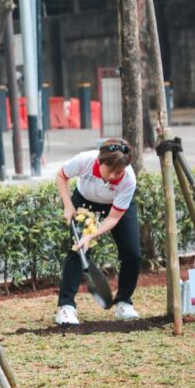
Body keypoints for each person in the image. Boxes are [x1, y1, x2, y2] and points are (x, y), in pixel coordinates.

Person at [55, 138, 141, 325]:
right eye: (109, 170)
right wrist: (68, 206)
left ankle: (124, 302)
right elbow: (61, 175)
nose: (112, 176)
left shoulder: (128, 179)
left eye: (118, 172)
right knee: (78, 250)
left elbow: (113, 218)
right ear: (99, 162)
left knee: (132, 254)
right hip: (85, 201)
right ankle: (66, 307)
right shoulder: (84, 161)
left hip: (115, 206)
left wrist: (91, 235)